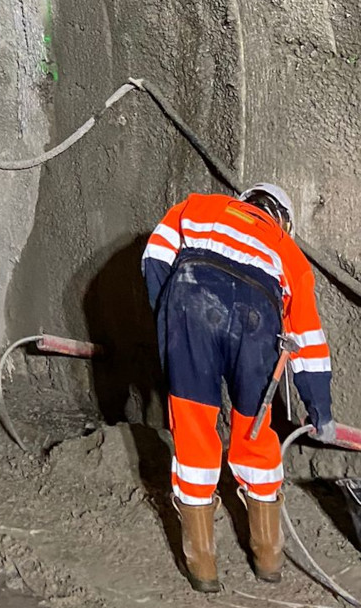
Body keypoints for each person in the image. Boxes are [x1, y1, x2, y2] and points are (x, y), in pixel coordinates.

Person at [142, 183, 337, 592]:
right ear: (283, 220)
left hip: (191, 297)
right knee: (255, 430)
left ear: (244, 200)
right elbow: (307, 338)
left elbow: (155, 255)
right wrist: (320, 409)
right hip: (257, 314)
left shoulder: (200, 206)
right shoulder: (288, 251)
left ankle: (202, 566)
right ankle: (268, 558)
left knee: (194, 428)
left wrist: (168, 318)